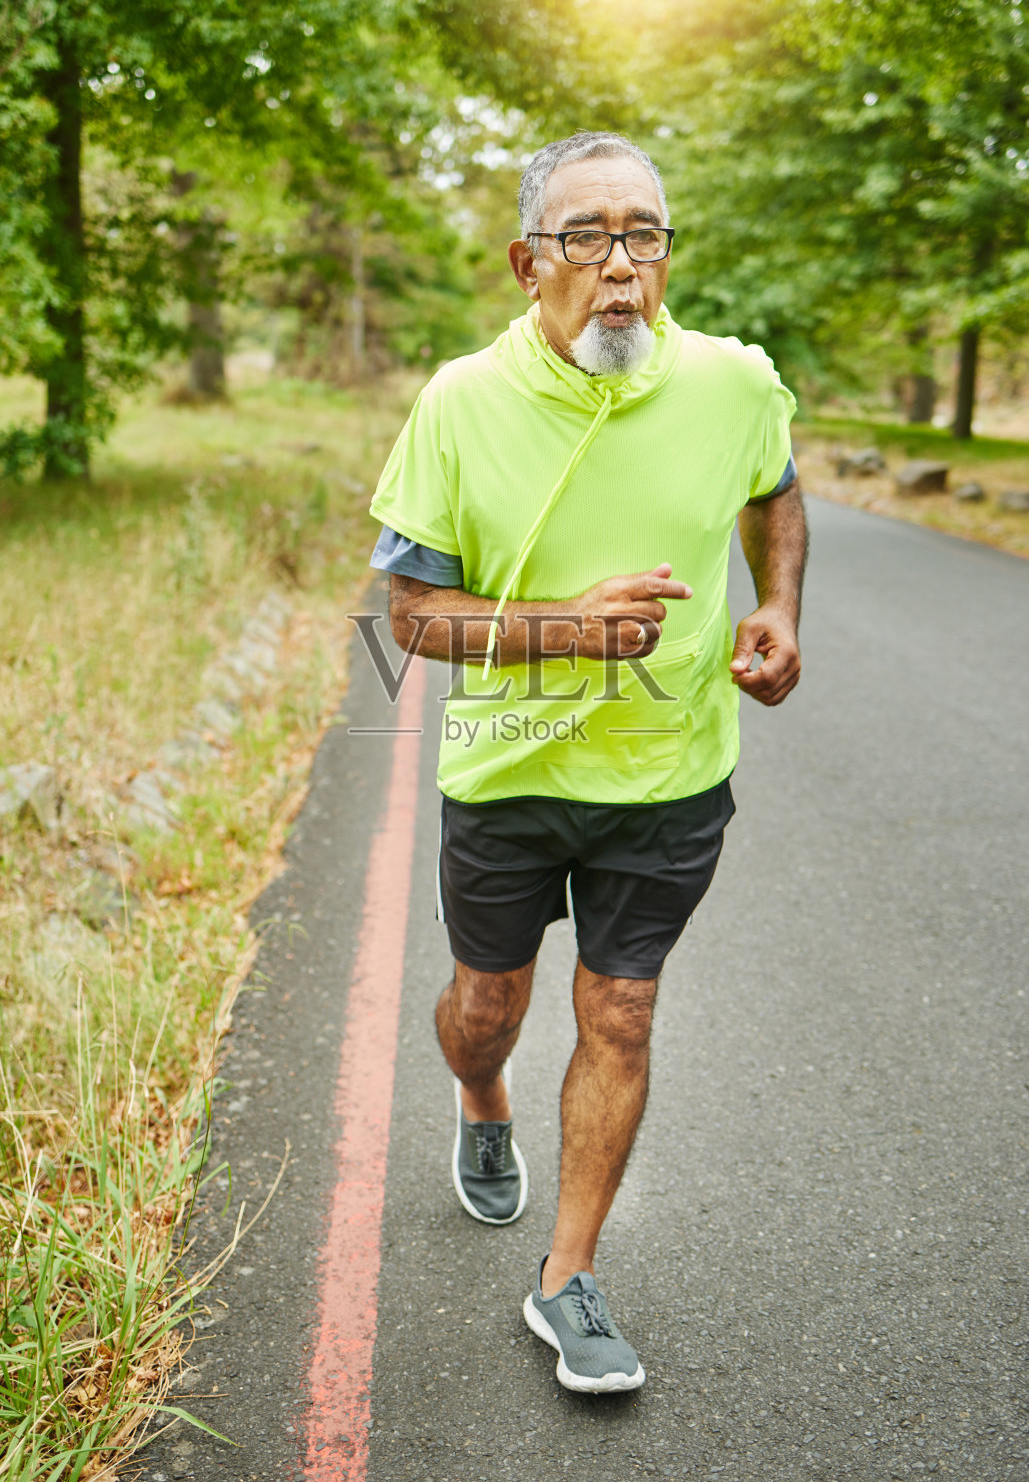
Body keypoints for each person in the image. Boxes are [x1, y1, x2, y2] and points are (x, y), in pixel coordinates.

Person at [368, 130, 807, 1394]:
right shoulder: (458, 403)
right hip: (505, 775)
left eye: (645, 236)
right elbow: (408, 620)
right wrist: (570, 630)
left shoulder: (733, 383)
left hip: (669, 771)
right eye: (587, 238)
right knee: (483, 1012)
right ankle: (481, 1095)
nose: (621, 267)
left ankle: (566, 1281)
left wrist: (780, 607)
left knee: (620, 1007)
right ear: (528, 262)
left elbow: (775, 487)